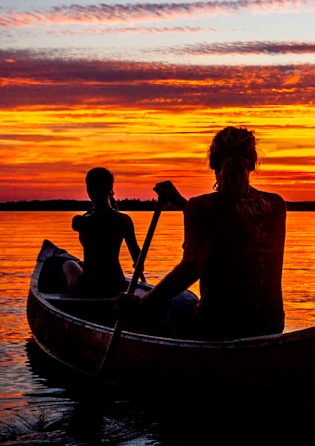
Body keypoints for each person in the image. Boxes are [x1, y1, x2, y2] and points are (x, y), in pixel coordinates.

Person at [122, 126, 286, 339]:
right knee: (183, 299)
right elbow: (234, 224)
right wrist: (183, 204)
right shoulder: (275, 204)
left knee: (175, 301)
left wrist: (142, 303)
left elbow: (192, 268)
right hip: (270, 325)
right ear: (253, 162)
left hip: (217, 327)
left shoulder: (202, 208)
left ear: (212, 163)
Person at [63, 167, 143, 297]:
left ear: (89, 191)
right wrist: (139, 267)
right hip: (116, 283)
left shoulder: (81, 221)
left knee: (69, 264)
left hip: (88, 286)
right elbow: (138, 258)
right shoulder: (125, 220)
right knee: (80, 264)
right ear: (111, 189)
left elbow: (93, 217)